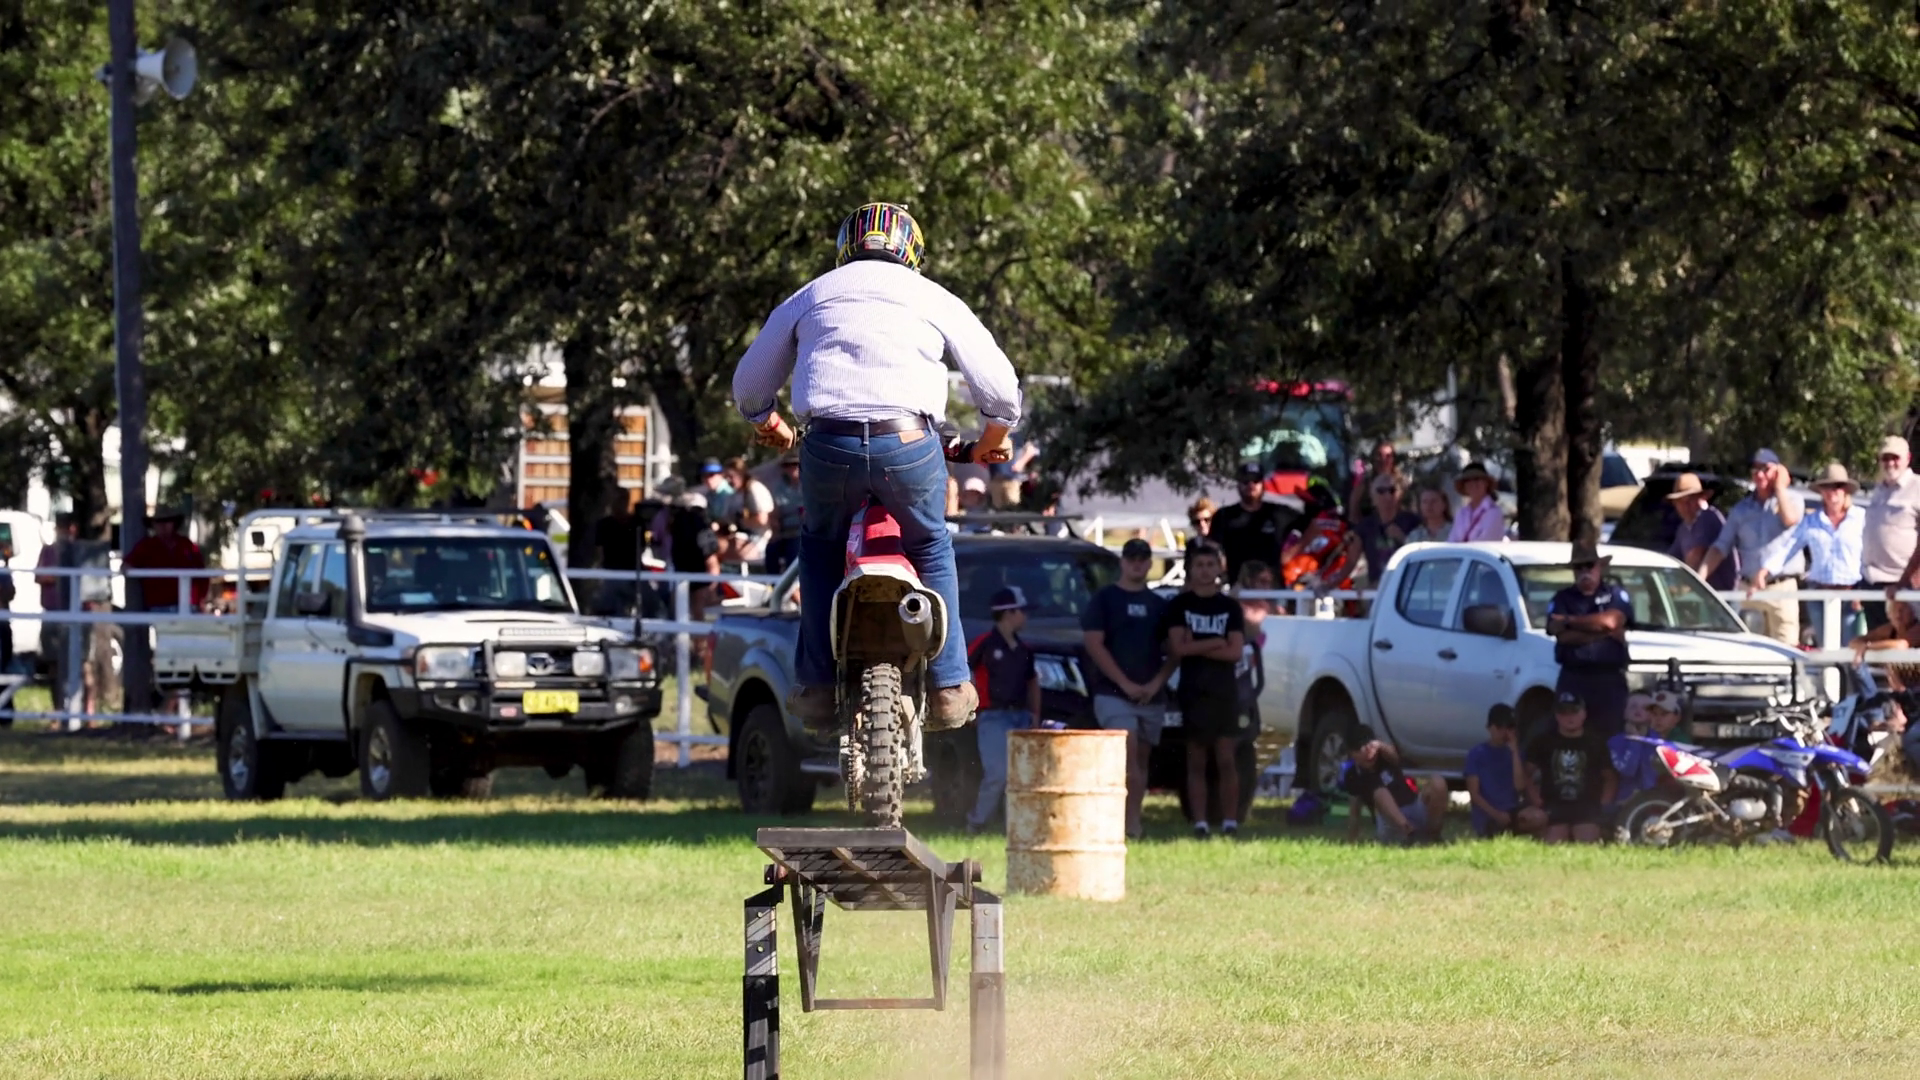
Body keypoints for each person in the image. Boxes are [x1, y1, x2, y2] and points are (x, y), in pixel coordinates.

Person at [730, 201, 1021, 731]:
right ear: (911, 250)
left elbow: (749, 385)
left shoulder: (812, 294)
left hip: (828, 447)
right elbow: (1001, 391)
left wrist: (768, 422)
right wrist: (992, 438)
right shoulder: (933, 296)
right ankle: (950, 685)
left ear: (847, 247)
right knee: (930, 544)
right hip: (909, 446)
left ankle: (817, 688)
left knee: (820, 548)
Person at [1082, 537, 1175, 840]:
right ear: (1122, 562)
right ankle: (1121, 823)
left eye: (1142, 558)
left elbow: (1175, 650)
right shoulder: (1104, 599)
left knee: (1141, 761)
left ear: (1149, 563)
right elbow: (1094, 644)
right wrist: (1124, 683)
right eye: (1131, 558)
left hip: (1151, 695)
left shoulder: (1159, 605)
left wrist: (1155, 684)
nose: (1137, 564)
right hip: (1113, 694)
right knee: (1126, 755)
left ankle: (1133, 819)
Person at [1164, 540, 1246, 839]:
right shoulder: (1179, 606)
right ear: (1190, 569)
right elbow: (1178, 649)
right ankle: (1199, 823)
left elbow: (1235, 652)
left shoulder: (1230, 608)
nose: (1205, 570)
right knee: (1196, 759)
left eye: (1210, 565)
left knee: (1226, 758)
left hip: (1224, 692)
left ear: (1219, 569)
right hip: (1193, 691)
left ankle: (1230, 821)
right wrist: (1214, 642)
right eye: (1199, 565)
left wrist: (1196, 644)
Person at [1700, 448, 1806, 646]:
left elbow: (1790, 519)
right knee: (1749, 651)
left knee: (1787, 651)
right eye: (1755, 469)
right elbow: (1721, 546)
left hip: (1782, 587)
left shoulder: (1792, 499)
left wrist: (1780, 487)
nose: (1759, 474)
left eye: (1766, 469)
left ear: (1778, 471)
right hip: (1749, 589)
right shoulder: (1741, 509)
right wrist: (1699, 577)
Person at [1753, 462, 1863, 647]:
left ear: (1845, 490)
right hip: (1819, 593)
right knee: (1826, 650)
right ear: (1821, 491)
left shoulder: (1860, 518)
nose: (1832, 492)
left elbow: (1870, 555)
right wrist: (1765, 570)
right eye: (1826, 487)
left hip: (1851, 595)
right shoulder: (1811, 521)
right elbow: (1789, 547)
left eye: (1837, 486)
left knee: (1851, 652)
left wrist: (1862, 592)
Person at [965, 587, 1040, 835]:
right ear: (1009, 613)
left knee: (1021, 775)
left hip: (1020, 716)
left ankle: (1015, 825)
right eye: (1022, 611)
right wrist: (971, 708)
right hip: (992, 717)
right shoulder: (985, 644)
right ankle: (977, 822)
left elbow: (1032, 681)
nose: (1026, 617)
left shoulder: (1024, 648)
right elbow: (965, 672)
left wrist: (1035, 714)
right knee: (997, 773)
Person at [1545, 537, 1634, 739]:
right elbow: (1562, 635)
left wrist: (1569, 620)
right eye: (1579, 567)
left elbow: (1611, 621)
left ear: (1599, 567)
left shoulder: (1615, 594)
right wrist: (1604, 633)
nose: (1585, 571)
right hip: (1574, 678)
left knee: (1611, 737)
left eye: (1589, 565)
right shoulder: (1562, 598)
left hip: (1609, 680)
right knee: (1569, 737)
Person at [1524, 691, 1618, 844]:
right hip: (1553, 804)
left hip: (1587, 805)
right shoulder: (1543, 741)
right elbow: (1526, 773)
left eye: (1574, 711)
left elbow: (1610, 777)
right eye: (1564, 712)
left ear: (1583, 714)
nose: (1569, 717)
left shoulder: (1595, 742)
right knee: (1554, 844)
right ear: (1556, 715)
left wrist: (1604, 804)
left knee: (1586, 843)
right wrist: (1536, 799)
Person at [1340, 725, 1448, 844]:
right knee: (1380, 792)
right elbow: (1354, 811)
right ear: (1352, 753)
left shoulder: (1385, 757)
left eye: (1371, 747)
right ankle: (1408, 832)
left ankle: (1433, 835)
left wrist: (1379, 745)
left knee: (1438, 782)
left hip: (1412, 805)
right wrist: (1351, 840)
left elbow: (1394, 756)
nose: (1369, 754)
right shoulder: (1353, 775)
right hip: (1389, 822)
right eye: (1361, 750)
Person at [1464, 705, 1538, 837]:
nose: (1505, 732)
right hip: (1487, 814)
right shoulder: (1476, 754)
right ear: (1490, 728)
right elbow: (1474, 794)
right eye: (1500, 727)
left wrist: (1514, 752)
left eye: (1509, 728)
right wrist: (1497, 814)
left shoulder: (1516, 754)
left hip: (1512, 812)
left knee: (1537, 817)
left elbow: (1520, 786)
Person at [1213, 463, 1294, 582]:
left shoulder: (1279, 513)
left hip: (1273, 586)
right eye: (1246, 481)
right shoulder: (1224, 515)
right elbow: (1212, 548)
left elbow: (1312, 526)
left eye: (1256, 481)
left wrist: (1291, 553)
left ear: (1263, 484)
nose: (1251, 485)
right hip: (1237, 585)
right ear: (1238, 485)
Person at [127, 508, 206, 612]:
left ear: (174, 523)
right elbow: (127, 564)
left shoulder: (187, 545)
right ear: (153, 525)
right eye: (158, 522)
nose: (163, 525)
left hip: (188, 605)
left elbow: (201, 573)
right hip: (159, 605)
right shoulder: (146, 546)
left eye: (167, 521)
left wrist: (200, 599)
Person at [1665, 473, 1734, 591]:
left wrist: (1679, 589)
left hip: (1722, 596)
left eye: (1690, 499)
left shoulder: (1708, 518)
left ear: (1700, 498)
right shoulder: (1684, 529)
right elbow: (1671, 559)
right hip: (1704, 595)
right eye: (1680, 501)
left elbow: (1695, 558)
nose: (1685, 505)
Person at [1355, 473, 1420, 586]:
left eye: (1392, 490)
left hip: (1407, 586)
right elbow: (1351, 561)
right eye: (1381, 491)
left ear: (1400, 494)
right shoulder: (1365, 526)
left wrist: (1403, 538)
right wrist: (1329, 584)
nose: (1388, 496)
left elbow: (1422, 555)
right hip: (1378, 588)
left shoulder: (1413, 521)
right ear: (1372, 497)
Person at [718, 457, 775, 570]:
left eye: (731, 476)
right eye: (726, 477)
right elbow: (726, 519)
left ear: (741, 474)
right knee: (714, 546)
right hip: (739, 537)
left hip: (760, 539)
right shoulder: (733, 495)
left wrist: (741, 522)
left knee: (734, 552)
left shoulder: (754, 489)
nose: (728, 480)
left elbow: (762, 520)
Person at [591, 494, 641, 617]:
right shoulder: (604, 524)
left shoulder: (636, 523)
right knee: (608, 606)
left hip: (632, 573)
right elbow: (599, 549)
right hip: (610, 572)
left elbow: (641, 547)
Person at [766, 451, 805, 574]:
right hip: (784, 532)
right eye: (787, 465)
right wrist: (775, 528)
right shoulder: (779, 488)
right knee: (771, 550)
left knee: (794, 549)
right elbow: (775, 513)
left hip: (803, 533)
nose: (792, 468)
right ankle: (774, 583)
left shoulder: (810, 485)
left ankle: (792, 583)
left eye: (795, 464)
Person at [1447, 462, 1506, 542]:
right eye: (1468, 480)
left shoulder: (1494, 512)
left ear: (1486, 483)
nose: (1473, 484)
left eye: (1477, 479)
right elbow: (1451, 541)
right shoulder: (1461, 513)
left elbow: (1485, 542)